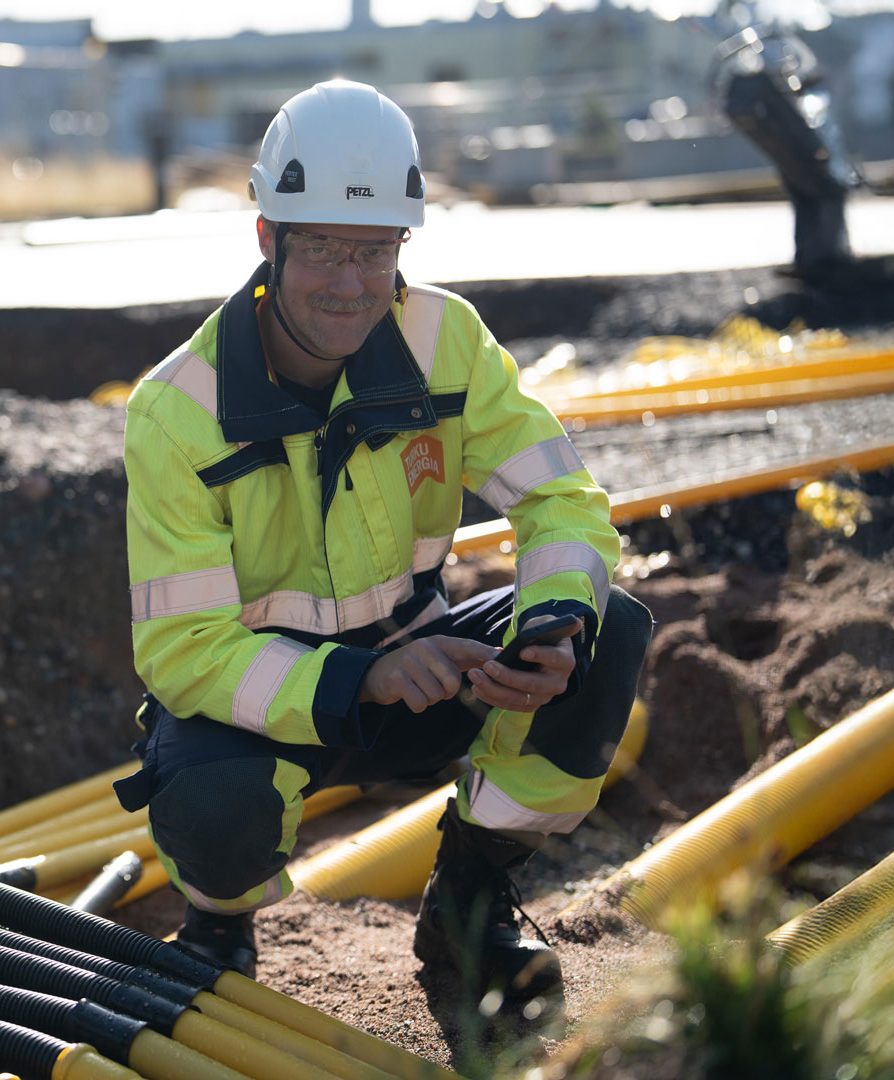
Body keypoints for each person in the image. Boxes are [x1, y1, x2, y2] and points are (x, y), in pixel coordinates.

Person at [112, 80, 653, 1002]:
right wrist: (357, 679)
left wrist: (555, 624)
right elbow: (181, 649)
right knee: (210, 805)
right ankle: (217, 929)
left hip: (423, 664)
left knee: (609, 635)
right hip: (260, 701)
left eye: (373, 250)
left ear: (402, 245)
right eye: (321, 247)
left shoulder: (445, 340)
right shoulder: (178, 412)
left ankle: (470, 903)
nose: (350, 283)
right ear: (266, 241)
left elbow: (560, 495)